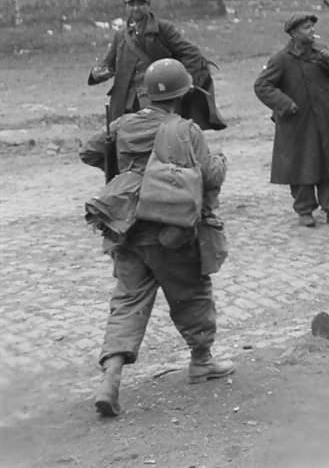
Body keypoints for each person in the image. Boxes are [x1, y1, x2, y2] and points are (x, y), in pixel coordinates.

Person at [80, 58, 231, 418]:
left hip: (126, 228)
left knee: (128, 302)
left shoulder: (122, 125)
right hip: (171, 228)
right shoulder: (186, 130)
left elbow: (88, 151)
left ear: (147, 93)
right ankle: (201, 361)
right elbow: (210, 177)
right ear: (182, 95)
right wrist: (220, 160)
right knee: (191, 292)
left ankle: (111, 376)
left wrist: (123, 166)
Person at [88, 0, 223, 176]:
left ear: (148, 5)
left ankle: (168, 180)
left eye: (140, 3)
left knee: (160, 143)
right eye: (131, 4)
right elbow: (108, 64)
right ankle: (125, 182)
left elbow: (192, 54)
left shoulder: (162, 29)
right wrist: (99, 73)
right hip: (125, 101)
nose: (136, 8)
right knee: (122, 144)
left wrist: (186, 80)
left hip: (156, 99)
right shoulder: (120, 35)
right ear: (126, 6)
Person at [252, 13, 329, 228]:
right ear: (294, 33)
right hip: (299, 120)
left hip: (328, 116)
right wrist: (284, 104)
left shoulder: (321, 49)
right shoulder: (281, 59)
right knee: (302, 164)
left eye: (312, 27)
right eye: (306, 27)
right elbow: (262, 86)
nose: (311, 31)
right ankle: (305, 210)